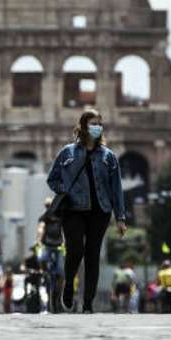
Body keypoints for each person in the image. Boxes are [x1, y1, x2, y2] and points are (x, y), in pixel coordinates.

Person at [46, 108, 126, 313]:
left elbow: (116, 188)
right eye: (93, 124)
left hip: (100, 210)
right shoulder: (67, 152)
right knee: (75, 250)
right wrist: (66, 190)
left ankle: (88, 303)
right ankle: (69, 286)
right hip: (73, 209)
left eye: (100, 124)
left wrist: (120, 217)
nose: (97, 128)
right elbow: (52, 179)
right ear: (83, 126)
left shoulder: (109, 156)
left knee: (92, 254)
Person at [37, 197, 65, 308]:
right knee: (41, 258)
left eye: (51, 206)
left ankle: (60, 293)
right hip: (47, 246)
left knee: (61, 270)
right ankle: (44, 274)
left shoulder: (60, 217)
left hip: (59, 246)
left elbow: (64, 230)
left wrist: (66, 243)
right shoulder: (44, 217)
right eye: (47, 206)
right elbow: (41, 228)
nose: (49, 208)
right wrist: (39, 240)